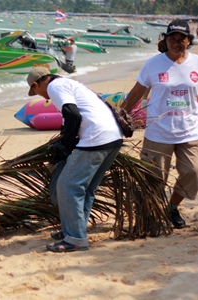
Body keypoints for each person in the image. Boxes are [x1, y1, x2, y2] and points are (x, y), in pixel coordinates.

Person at [26, 66, 123, 252]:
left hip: (96, 138)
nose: (39, 95)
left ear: (37, 84)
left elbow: (72, 113)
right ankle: (74, 230)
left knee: (68, 186)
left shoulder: (55, 87)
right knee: (85, 188)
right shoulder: (70, 83)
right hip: (113, 137)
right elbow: (72, 116)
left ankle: (75, 239)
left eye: (35, 91)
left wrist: (66, 146)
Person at [121, 19, 198, 229]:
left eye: (181, 39)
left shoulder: (197, 63)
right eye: (172, 38)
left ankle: (172, 207)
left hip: (190, 130)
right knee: (154, 179)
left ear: (188, 41)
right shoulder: (153, 64)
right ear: (165, 40)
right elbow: (137, 92)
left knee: (194, 172)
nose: (177, 43)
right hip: (158, 132)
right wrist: (120, 115)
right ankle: (155, 213)